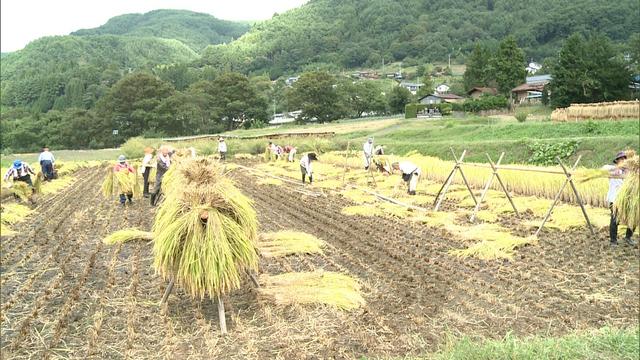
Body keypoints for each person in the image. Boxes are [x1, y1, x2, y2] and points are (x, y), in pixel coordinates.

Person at [603, 151, 636, 247]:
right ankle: (613, 241)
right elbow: (603, 168)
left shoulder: (629, 172)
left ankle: (628, 237)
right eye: (621, 159)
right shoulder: (612, 170)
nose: (623, 161)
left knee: (633, 218)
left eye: (624, 159)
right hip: (614, 199)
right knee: (615, 219)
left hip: (627, 199)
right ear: (617, 161)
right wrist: (617, 168)